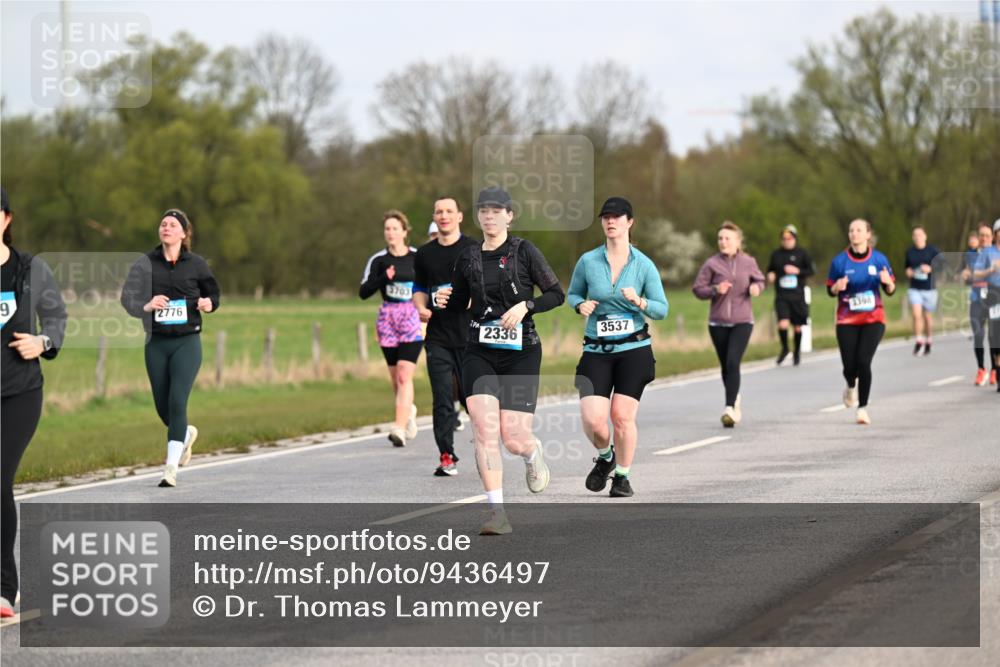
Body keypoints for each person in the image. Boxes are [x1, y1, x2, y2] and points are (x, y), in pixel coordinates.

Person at [440, 186, 564, 534]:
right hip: (479, 350)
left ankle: (531, 451)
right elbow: (458, 302)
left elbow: (557, 294)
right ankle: (497, 513)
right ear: (478, 216)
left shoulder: (525, 252)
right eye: (484, 210)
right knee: (483, 429)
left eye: (497, 210)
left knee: (512, 437)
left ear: (509, 215)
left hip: (521, 351)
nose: (489, 216)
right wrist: (443, 298)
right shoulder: (467, 257)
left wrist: (527, 305)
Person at [567, 197, 668, 498]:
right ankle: (605, 456)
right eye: (606, 217)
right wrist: (580, 304)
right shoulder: (588, 261)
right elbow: (572, 294)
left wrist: (639, 301)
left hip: (633, 350)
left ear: (629, 222)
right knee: (594, 420)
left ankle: (622, 476)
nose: (611, 222)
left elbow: (661, 309)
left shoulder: (643, 264)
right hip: (597, 350)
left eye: (617, 217)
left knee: (622, 416)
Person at [1, 187, 67, 619]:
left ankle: (4, 588)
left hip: (19, 393)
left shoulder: (30, 269)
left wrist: (42, 342)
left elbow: (57, 318)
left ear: (5, 219)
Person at [121, 209, 221, 487]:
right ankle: (185, 434)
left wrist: (208, 304)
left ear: (183, 233)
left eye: (172, 224)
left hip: (187, 341)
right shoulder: (145, 264)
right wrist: (146, 305)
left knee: (178, 402)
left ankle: (170, 468)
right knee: (163, 407)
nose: (166, 227)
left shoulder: (196, 264)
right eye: (163, 223)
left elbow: (214, 294)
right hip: (156, 342)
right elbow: (127, 298)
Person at [412, 197, 476, 476]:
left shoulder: (473, 248)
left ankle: (490, 443)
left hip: (471, 337)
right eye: (439, 211)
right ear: (434, 217)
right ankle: (446, 455)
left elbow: (485, 288)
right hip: (438, 337)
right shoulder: (425, 254)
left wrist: (466, 299)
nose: (444, 215)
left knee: (473, 400)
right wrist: (420, 307)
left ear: (459, 216)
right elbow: (418, 287)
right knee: (441, 398)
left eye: (449, 211)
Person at [692, 221, 766, 427]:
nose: (723, 242)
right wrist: (715, 289)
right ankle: (734, 398)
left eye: (727, 239)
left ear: (738, 241)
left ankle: (729, 407)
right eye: (720, 239)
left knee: (733, 361)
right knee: (726, 366)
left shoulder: (748, 261)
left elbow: (760, 280)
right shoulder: (711, 264)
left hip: (743, 321)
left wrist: (756, 288)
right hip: (717, 322)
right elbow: (698, 289)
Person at [359, 210, 422, 447]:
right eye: (387, 229)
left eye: (395, 228)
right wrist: (383, 278)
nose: (391, 233)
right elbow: (363, 293)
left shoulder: (418, 257)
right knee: (396, 379)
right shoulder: (378, 260)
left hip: (412, 316)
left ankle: (398, 427)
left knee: (406, 375)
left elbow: (430, 285)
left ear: (405, 232)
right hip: (388, 318)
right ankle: (409, 410)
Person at [827, 218, 896, 424]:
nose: (854, 233)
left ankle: (862, 408)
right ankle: (850, 386)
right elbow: (830, 291)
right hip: (846, 320)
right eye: (851, 230)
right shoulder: (839, 262)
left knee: (864, 361)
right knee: (850, 367)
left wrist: (888, 283)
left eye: (859, 230)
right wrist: (836, 287)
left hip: (873, 318)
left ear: (868, 234)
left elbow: (890, 290)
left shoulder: (879, 260)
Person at [766, 224, 814, 366]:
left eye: (789, 238)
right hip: (782, 296)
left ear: (794, 239)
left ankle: (797, 352)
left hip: (798, 296)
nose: (786, 241)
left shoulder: (802, 253)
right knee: (782, 324)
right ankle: (785, 348)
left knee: (798, 326)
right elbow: (770, 270)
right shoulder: (776, 254)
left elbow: (811, 271)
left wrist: (797, 271)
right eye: (784, 238)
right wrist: (771, 275)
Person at [962, 223, 994, 386]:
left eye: (987, 235)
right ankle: (981, 369)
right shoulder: (971, 254)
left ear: (992, 237)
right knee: (978, 335)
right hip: (976, 298)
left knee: (994, 336)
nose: (983, 238)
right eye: (981, 235)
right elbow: (967, 274)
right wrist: (966, 275)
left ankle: (995, 369)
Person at [972, 219, 1000, 393]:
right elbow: (976, 274)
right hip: (993, 294)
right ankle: (994, 370)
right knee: (994, 334)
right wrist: (991, 270)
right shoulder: (987, 253)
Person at [904, 226, 941, 356]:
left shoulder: (933, 251)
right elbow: (907, 268)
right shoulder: (910, 252)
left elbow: (942, 267)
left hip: (930, 289)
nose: (917, 237)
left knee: (927, 317)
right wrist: (908, 272)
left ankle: (929, 339)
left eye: (920, 234)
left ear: (925, 236)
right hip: (915, 288)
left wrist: (930, 269)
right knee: (916, 314)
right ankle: (919, 340)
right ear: (913, 237)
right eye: (915, 235)